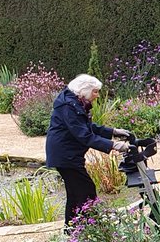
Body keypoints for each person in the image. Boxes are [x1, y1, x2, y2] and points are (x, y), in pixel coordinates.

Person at [44, 74, 130, 228]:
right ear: (84, 91)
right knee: (86, 190)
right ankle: (88, 227)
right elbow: (84, 135)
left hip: (68, 154)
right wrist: (114, 145)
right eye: (95, 91)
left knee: (75, 193)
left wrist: (113, 131)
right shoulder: (68, 106)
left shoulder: (74, 103)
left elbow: (87, 127)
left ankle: (73, 229)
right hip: (65, 155)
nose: (97, 95)